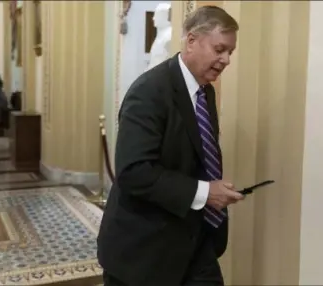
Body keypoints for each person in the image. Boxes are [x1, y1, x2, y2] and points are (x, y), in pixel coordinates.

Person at [97, 6, 242, 286]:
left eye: (230, 53)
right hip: (143, 251)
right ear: (191, 41)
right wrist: (205, 192)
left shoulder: (205, 92)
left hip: (194, 242)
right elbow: (133, 172)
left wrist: (213, 191)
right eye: (219, 49)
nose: (225, 60)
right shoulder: (148, 92)